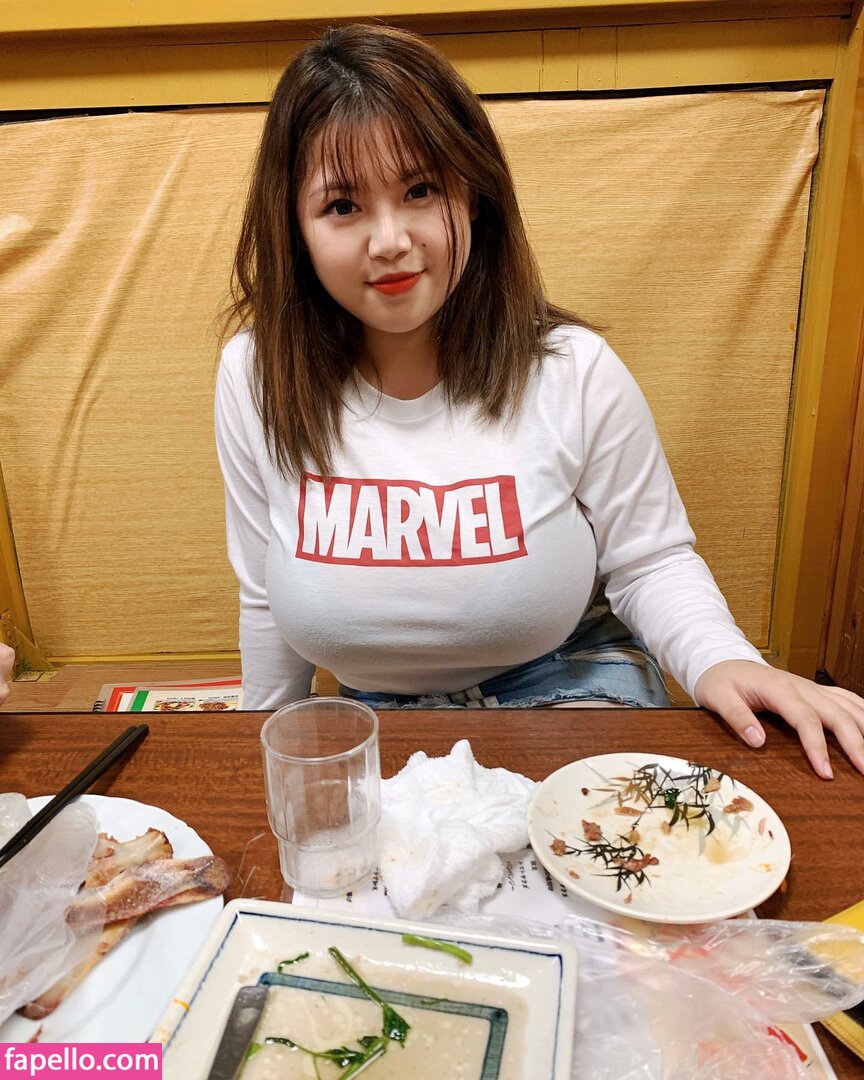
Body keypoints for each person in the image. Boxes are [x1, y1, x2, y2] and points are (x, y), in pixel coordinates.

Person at [215, 24, 864, 780]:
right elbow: (264, 596)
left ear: (473, 194)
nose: (389, 240)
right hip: (381, 721)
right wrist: (258, 752)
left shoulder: (572, 368)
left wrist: (723, 659)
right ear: (294, 229)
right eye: (341, 205)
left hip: (572, 685)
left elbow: (650, 561)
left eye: (421, 190)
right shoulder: (255, 377)